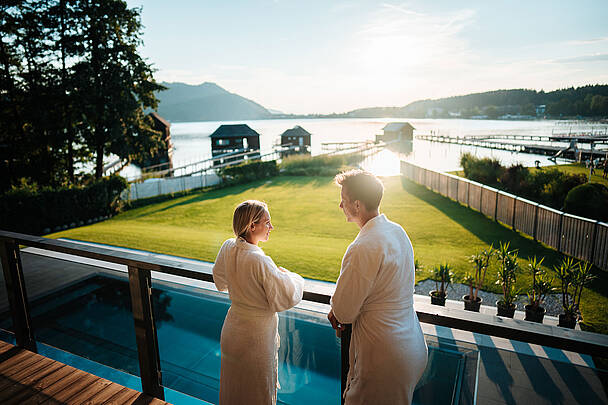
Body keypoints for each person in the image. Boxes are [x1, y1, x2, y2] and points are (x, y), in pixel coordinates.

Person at [328, 170, 428, 405]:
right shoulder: (398, 231)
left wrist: (336, 310)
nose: (340, 204)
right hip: (412, 344)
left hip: (384, 359)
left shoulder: (362, 247)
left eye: (343, 199)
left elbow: (343, 311)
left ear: (358, 204)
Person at [213, 200, 304, 405]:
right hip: (256, 336)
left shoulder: (228, 246)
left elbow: (220, 281)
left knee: (234, 386)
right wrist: (293, 276)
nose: (271, 227)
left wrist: (243, 289)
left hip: (233, 328)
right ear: (252, 226)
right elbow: (287, 295)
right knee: (257, 390)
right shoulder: (260, 260)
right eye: (267, 222)